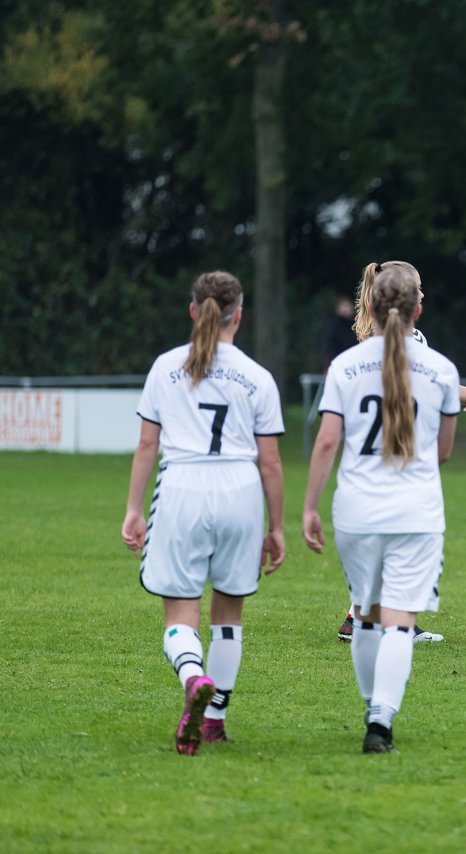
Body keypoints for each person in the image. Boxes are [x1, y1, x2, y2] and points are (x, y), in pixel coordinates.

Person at [121, 271, 286, 756]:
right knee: (229, 613)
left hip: (181, 491)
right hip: (240, 491)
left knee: (181, 611)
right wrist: (276, 527)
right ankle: (214, 722)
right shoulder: (258, 376)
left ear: (193, 311)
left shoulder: (165, 367)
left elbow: (147, 443)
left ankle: (193, 678)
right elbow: (271, 461)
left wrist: (134, 508)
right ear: (240, 316)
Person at [302, 260, 461, 754]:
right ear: (419, 308)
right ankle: (381, 721)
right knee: (399, 620)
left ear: (369, 306)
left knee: (367, 615)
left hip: (356, 510)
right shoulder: (441, 369)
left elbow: (327, 442)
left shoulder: (347, 366)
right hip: (416, 510)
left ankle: (373, 706)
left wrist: (309, 506)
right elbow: (443, 452)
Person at [338, 263, 443, 644]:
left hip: (368, 467)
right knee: (400, 547)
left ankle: (358, 618)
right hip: (399, 463)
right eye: (419, 288)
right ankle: (393, 625)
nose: (423, 295)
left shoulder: (367, 345)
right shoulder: (410, 343)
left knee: (377, 543)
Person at [322, 295, 358, 369]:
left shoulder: (357, 326)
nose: (346, 309)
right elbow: (329, 348)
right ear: (338, 309)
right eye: (344, 306)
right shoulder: (333, 327)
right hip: (339, 363)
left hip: (355, 362)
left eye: (348, 306)